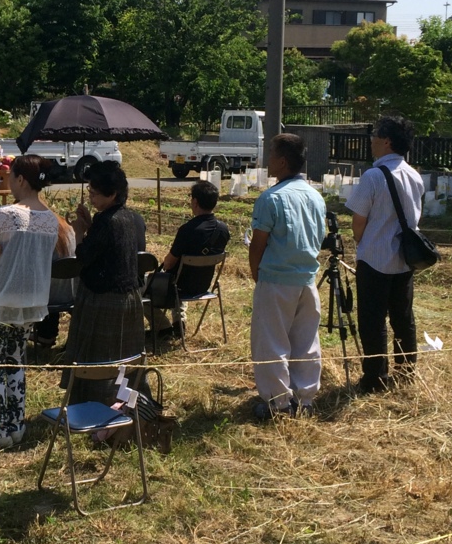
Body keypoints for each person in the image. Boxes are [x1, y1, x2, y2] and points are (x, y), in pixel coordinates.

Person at [0, 154, 59, 448]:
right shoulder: (51, 219)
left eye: (10, 176)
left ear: (20, 179)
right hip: (31, 301)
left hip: (0, 300)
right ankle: (16, 425)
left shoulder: (6, 214)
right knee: (16, 364)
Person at [247, 133, 327, 419]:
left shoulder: (271, 198)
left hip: (277, 279)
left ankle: (278, 403)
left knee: (271, 342)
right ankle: (305, 400)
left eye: (271, 155)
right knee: (305, 342)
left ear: (281, 161)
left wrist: (258, 275)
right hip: (307, 279)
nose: (268, 160)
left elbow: (258, 244)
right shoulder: (316, 196)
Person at [344, 116, 424, 394]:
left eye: (375, 135)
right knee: (403, 317)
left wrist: (362, 242)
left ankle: (375, 378)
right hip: (405, 258)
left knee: (372, 320)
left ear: (387, 141)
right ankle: (405, 372)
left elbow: (358, 221)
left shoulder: (373, 176)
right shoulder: (414, 175)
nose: (371, 140)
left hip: (375, 258)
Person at [61, 160, 147, 404]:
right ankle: (127, 402)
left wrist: (78, 232)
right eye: (90, 191)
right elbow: (107, 246)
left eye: (95, 193)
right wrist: (90, 225)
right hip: (129, 296)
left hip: (104, 298)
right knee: (124, 356)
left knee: (100, 355)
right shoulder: (128, 217)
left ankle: (99, 404)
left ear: (113, 194)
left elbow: (85, 256)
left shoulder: (107, 221)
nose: (91, 197)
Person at [149, 179, 231, 340]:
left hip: (179, 286)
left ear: (195, 202)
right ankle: (179, 322)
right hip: (204, 285)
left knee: (144, 284)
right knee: (182, 276)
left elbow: (169, 263)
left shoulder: (187, 230)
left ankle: (163, 326)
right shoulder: (223, 230)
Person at [33, 214, 76, 348]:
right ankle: (46, 336)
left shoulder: (38, 235)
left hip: (45, 297)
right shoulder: (69, 230)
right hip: (71, 294)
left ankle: (42, 335)